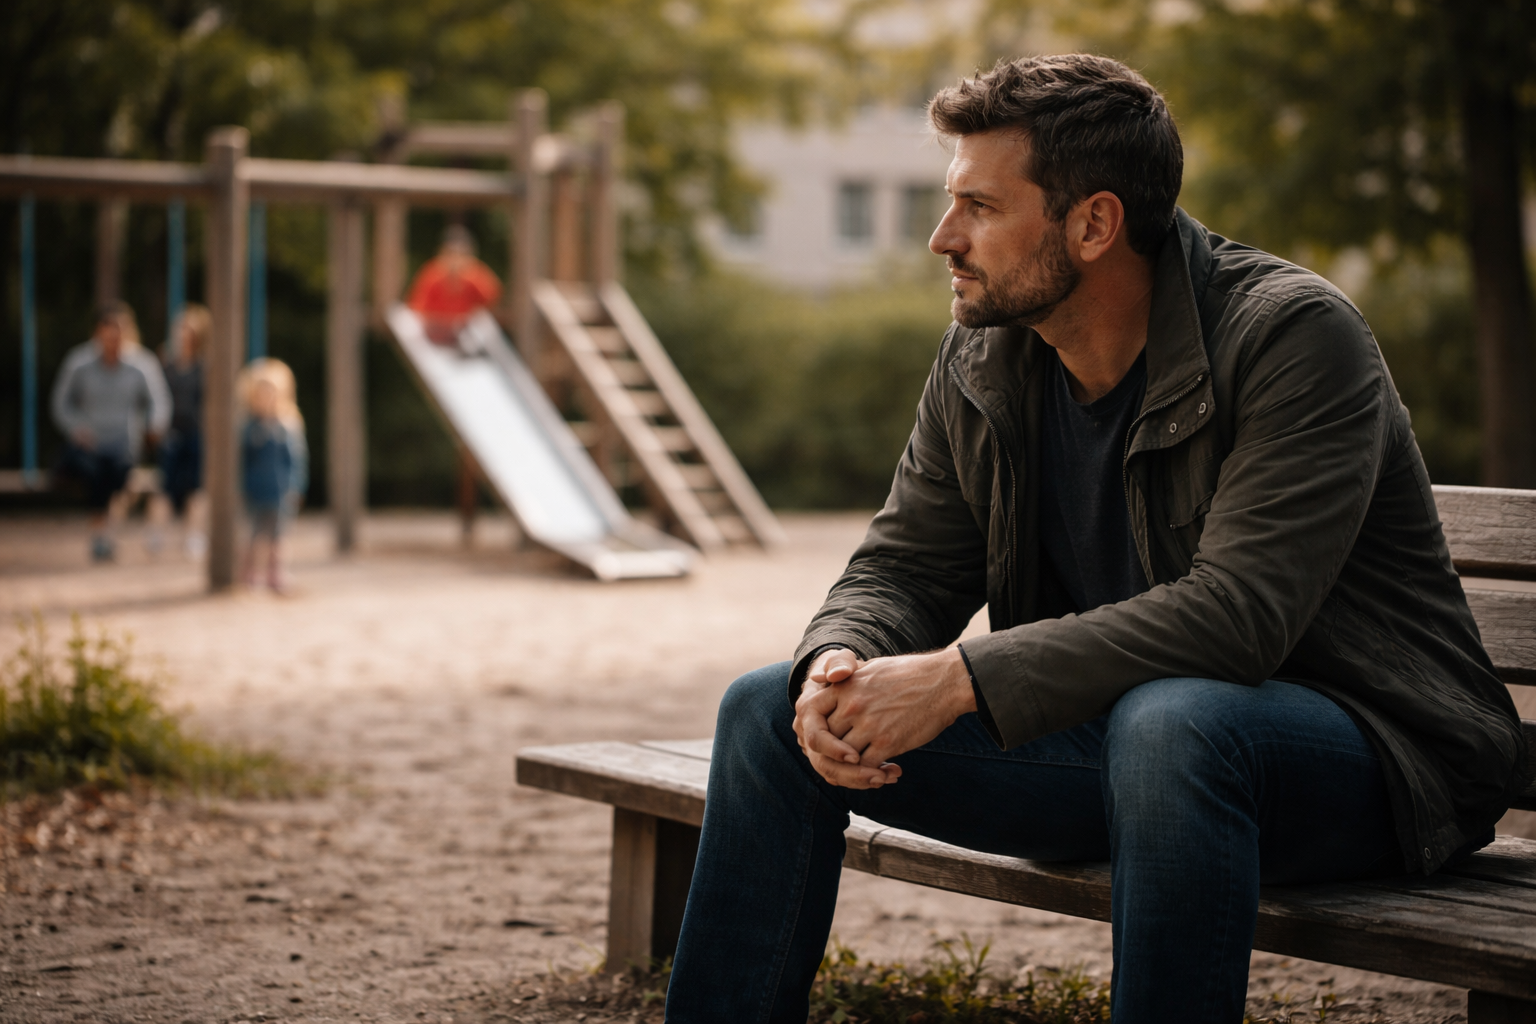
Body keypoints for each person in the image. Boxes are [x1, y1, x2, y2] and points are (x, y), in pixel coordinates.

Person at [664, 55, 1531, 1024]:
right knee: (763, 710)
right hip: (1138, 749)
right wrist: (838, 661)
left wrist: (958, 676)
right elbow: (907, 562)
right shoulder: (985, 352)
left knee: (1177, 720)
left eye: (980, 208)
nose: (941, 238)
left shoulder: (1290, 336)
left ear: (1094, 223)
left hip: (1379, 762)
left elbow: (1237, 617)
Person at [51, 301, 172, 563]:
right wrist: (76, 429)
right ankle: (101, 535)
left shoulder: (142, 363)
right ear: (98, 332)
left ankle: (104, 535)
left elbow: (159, 401)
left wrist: (154, 427)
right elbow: (60, 404)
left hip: (124, 443)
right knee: (93, 473)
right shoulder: (79, 362)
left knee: (118, 474)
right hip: (88, 443)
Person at [237, 358, 308, 594]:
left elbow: (296, 460)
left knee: (279, 536)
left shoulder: (287, 427)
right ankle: (249, 573)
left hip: (280, 490)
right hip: (255, 489)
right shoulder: (249, 428)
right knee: (254, 534)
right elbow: (242, 460)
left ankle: (275, 573)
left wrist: (297, 486)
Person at [157, 303, 212, 558]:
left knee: (197, 488)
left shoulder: (205, 367)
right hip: (171, 432)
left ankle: (193, 536)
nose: (182, 334)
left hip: (196, 432)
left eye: (188, 329)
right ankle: (156, 535)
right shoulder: (166, 364)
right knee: (165, 487)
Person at [405, 224, 502, 348]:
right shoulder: (432, 274)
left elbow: (492, 298)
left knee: (484, 322)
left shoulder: (475, 274)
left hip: (464, 335)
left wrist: (465, 279)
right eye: (450, 254)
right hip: (433, 334)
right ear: (441, 254)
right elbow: (417, 309)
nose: (455, 260)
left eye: (461, 255)